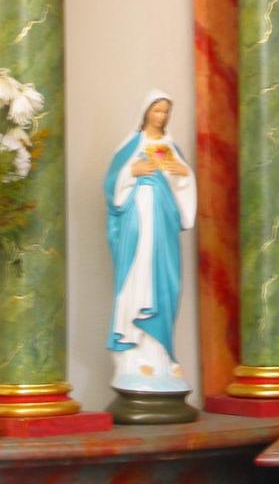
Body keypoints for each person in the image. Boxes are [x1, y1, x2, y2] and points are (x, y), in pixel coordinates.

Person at [104, 91, 196, 394]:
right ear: (145, 112)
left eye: (166, 111)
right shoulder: (132, 145)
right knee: (137, 280)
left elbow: (182, 186)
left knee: (165, 283)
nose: (161, 116)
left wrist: (184, 174)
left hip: (164, 223)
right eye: (157, 110)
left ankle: (161, 356)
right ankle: (133, 356)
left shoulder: (170, 147)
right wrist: (133, 171)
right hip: (137, 223)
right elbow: (112, 185)